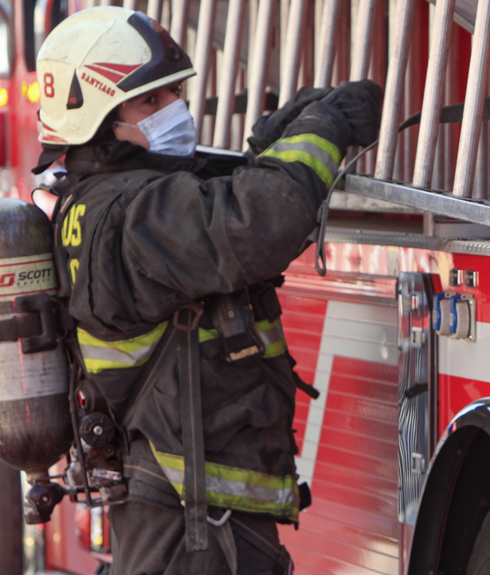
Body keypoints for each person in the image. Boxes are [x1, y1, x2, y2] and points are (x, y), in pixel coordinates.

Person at [32, 7, 382, 574]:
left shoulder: (101, 202)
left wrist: (267, 149)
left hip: (181, 509)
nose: (176, 111)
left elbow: (204, 216)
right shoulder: (134, 214)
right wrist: (325, 130)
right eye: (151, 102)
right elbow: (258, 222)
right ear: (97, 119)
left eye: (173, 94)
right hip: (192, 524)